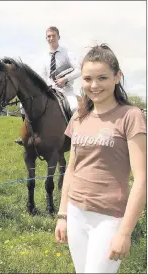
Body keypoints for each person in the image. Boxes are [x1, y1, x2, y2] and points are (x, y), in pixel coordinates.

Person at [55, 44, 146, 273]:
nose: (94, 86)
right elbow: (72, 168)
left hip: (109, 218)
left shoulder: (131, 116)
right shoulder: (79, 116)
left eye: (102, 77)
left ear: (117, 77)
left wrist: (124, 232)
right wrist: (63, 214)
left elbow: (142, 178)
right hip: (76, 213)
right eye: (88, 78)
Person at [41, 26, 82, 114]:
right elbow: (43, 76)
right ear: (46, 38)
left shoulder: (67, 53)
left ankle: (74, 127)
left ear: (59, 37)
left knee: (75, 108)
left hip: (65, 90)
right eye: (49, 36)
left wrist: (65, 79)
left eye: (53, 35)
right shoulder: (44, 57)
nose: (51, 38)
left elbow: (79, 70)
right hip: (49, 91)